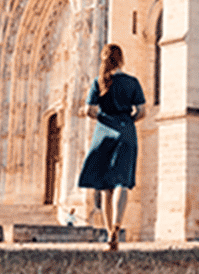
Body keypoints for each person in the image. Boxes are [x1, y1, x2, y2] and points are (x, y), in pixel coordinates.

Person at [77, 43, 145, 250]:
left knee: (106, 188)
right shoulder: (132, 82)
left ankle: (109, 235)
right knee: (121, 183)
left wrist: (102, 117)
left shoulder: (99, 82)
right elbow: (142, 112)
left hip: (104, 132)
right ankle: (117, 226)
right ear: (121, 59)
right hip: (126, 132)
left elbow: (90, 110)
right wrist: (127, 121)